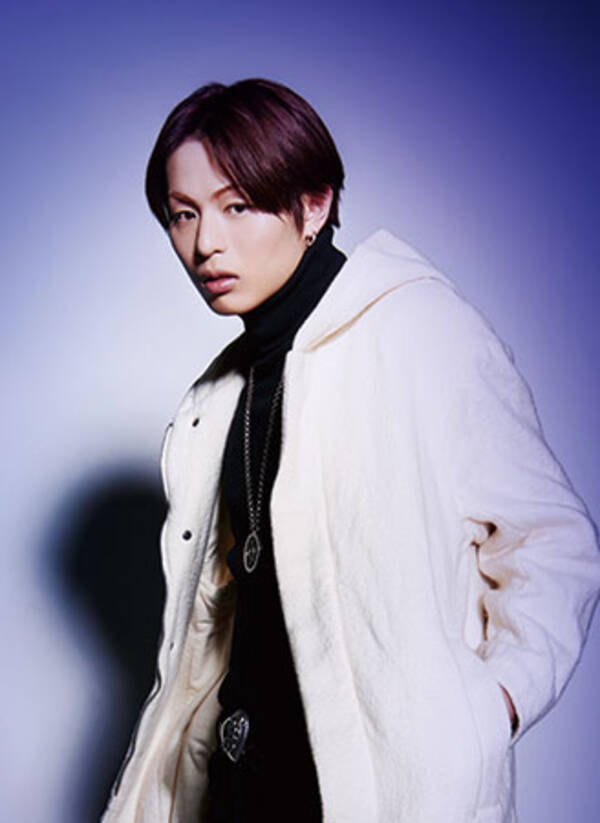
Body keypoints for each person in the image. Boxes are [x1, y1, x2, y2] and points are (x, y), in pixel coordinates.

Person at [100, 78, 600, 823]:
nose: (205, 244)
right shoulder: (219, 397)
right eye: (183, 214)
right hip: (236, 795)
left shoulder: (416, 329)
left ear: (314, 205)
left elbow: (551, 542)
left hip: (382, 798)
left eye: (238, 206)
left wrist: (490, 709)